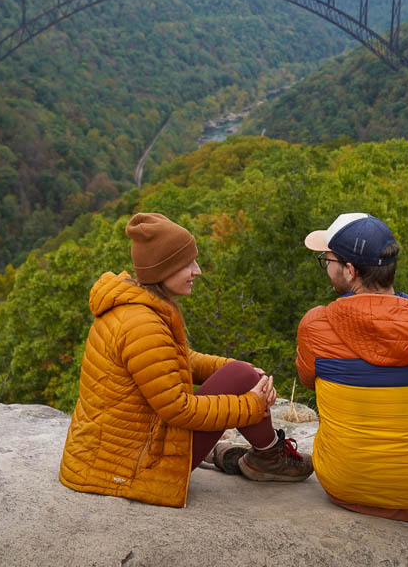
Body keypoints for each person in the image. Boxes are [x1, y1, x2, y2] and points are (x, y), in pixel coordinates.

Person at [59, 212, 312, 508]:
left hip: (116, 452)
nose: (198, 271)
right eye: (187, 264)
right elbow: (179, 410)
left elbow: (174, 360)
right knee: (242, 380)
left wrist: (227, 369)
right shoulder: (143, 325)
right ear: (162, 269)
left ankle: (251, 454)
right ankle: (269, 458)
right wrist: (252, 405)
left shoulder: (134, 307)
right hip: (133, 465)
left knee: (241, 374)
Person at [296, 212, 408, 521]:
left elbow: (307, 380)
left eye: (328, 261)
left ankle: (363, 467)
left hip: (341, 484)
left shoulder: (315, 324)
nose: (327, 267)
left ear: (350, 271)